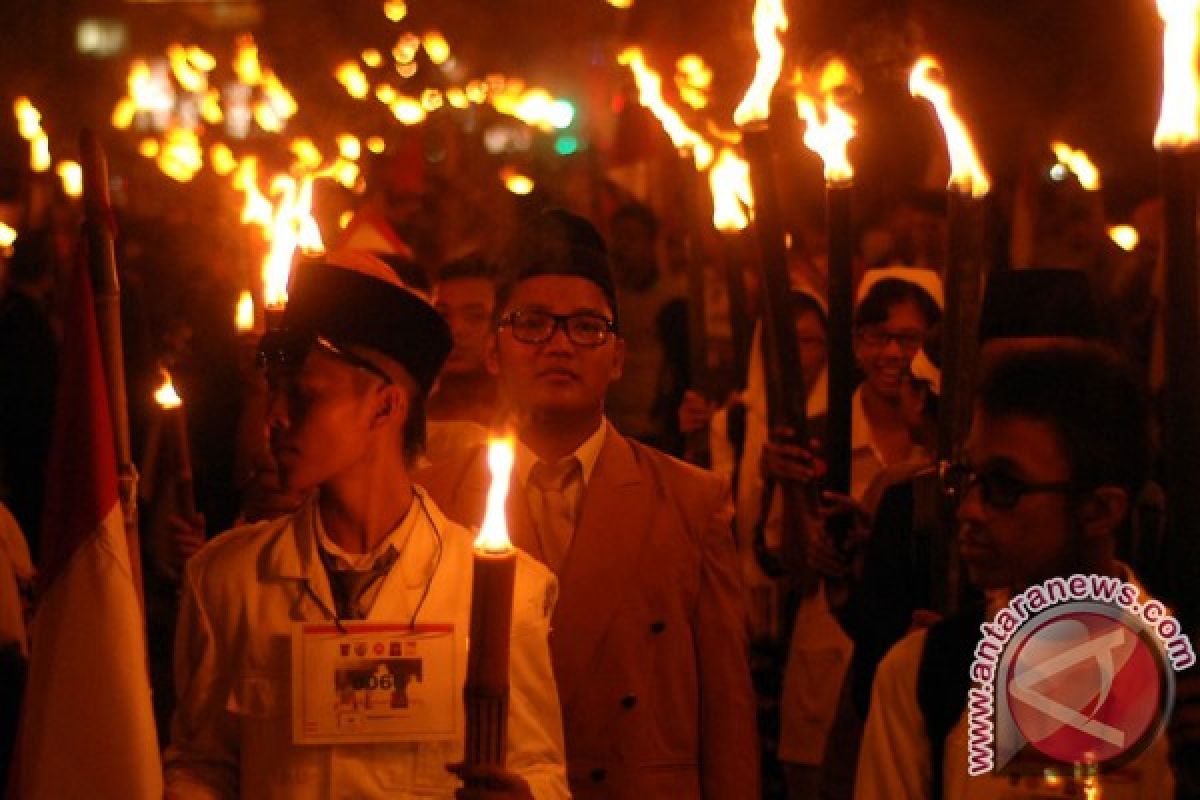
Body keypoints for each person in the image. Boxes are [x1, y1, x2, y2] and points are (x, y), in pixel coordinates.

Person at [164, 251, 569, 799]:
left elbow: (541, 770)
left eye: (304, 395)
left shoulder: (503, 590)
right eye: (274, 391)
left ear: (384, 408)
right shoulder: (228, 581)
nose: (274, 417)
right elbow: (201, 766)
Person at [419, 208, 758, 799]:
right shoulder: (436, 498)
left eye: (585, 328)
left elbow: (727, 713)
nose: (558, 345)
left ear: (619, 358)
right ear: (494, 351)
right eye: (531, 324)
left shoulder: (688, 501)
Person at [854, 344, 1174, 799]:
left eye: (1005, 486)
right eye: (969, 477)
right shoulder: (927, 675)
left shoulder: (1175, 680)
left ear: (1101, 510)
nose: (970, 510)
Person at [603, 202, 689, 450]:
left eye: (631, 237)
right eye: (617, 237)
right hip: (608, 429)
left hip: (652, 434)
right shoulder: (602, 298)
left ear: (650, 243)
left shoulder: (672, 301)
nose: (621, 246)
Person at [428, 254, 503, 430]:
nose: (455, 329)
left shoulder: (526, 421)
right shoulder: (410, 421)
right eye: (443, 315)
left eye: (475, 316)